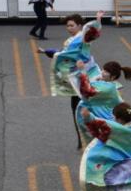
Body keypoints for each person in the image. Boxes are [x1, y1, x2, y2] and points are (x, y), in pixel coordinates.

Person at [44, 11, 104, 147]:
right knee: (77, 110)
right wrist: (51, 52)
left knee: (87, 109)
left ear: (79, 26)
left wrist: (98, 21)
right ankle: (82, 139)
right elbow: (66, 54)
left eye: (72, 25)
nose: (69, 28)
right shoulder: (71, 41)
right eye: (67, 26)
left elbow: (93, 32)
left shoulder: (83, 37)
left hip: (86, 75)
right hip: (75, 78)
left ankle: (91, 138)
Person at [73, 60, 131, 142]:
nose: (102, 72)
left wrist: (82, 71)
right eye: (103, 69)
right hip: (99, 116)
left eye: (106, 71)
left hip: (102, 119)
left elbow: (87, 91)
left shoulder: (108, 88)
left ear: (113, 77)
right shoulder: (109, 86)